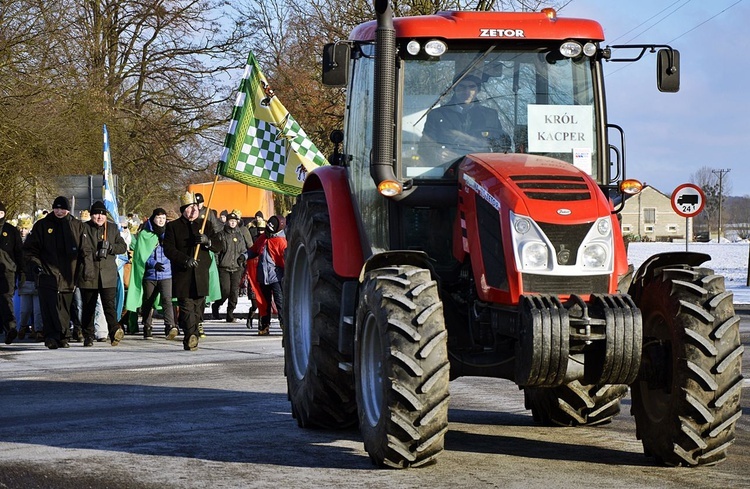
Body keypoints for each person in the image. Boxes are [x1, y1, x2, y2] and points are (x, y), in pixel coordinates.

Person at [23, 196, 91, 349]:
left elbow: (85, 251)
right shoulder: (42, 225)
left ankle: (63, 336)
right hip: (46, 273)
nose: (59, 212)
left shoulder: (77, 226)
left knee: (65, 307)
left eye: (63, 209)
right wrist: (36, 265)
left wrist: (85, 271)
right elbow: (29, 250)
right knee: (49, 307)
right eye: (57, 208)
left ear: (68, 210)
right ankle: (51, 337)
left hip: (68, 274)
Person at [163, 192, 222, 351]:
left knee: (198, 307)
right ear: (183, 209)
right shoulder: (173, 226)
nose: (194, 210)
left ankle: (193, 334)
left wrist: (207, 241)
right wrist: (184, 259)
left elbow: (219, 246)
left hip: (201, 273)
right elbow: (168, 249)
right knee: (187, 306)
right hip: (183, 274)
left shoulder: (205, 225)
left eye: (196, 207)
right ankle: (190, 336)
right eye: (190, 207)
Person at [420, 74, 509, 165]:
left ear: (477, 90)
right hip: (447, 170)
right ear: (455, 89)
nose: (467, 91)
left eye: (472, 87)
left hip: (481, 168)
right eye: (462, 87)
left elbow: (500, 144)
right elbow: (425, 146)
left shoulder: (490, 115)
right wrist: (438, 154)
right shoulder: (437, 115)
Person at [78, 201, 128, 347]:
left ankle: (114, 331)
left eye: (102, 214)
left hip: (108, 275)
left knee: (109, 306)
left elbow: (122, 247)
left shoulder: (111, 228)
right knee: (88, 306)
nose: (99, 217)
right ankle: (88, 334)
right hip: (89, 274)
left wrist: (110, 247)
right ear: (91, 215)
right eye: (96, 214)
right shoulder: (84, 228)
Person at [126, 208, 176, 339]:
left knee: (167, 300)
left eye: (164, 218)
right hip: (150, 275)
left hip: (166, 273)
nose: (161, 221)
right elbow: (141, 255)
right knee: (148, 301)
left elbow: (173, 251)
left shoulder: (170, 234)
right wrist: (153, 263)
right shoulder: (145, 234)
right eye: (159, 218)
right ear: (153, 218)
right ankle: (147, 326)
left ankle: (170, 326)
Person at [247, 215, 286, 335]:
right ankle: (264, 325)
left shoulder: (281, 242)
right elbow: (253, 250)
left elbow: (285, 261)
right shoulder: (263, 238)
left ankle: (284, 325)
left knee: (280, 302)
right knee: (264, 303)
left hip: (276, 277)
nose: (267, 232)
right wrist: (244, 256)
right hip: (263, 276)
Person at [213, 212, 253, 323]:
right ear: (227, 222)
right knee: (225, 290)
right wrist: (217, 264)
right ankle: (217, 304)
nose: (232, 223)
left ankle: (230, 313)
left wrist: (243, 260)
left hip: (237, 267)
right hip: (224, 267)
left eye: (234, 221)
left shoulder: (239, 235)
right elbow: (217, 252)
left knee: (234, 292)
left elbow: (244, 249)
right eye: (231, 221)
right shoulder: (221, 235)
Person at [0, 202, 25, 345]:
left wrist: (22, 271)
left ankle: (11, 327)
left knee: (6, 299)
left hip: (7, 270)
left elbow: (19, 252)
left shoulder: (10, 230)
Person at [15, 215, 43, 341]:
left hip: (36, 278)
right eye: (21, 228)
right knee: (25, 310)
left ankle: (38, 330)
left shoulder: (36, 241)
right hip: (25, 278)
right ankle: (23, 327)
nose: (23, 230)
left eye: (25, 228)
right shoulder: (16, 242)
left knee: (38, 310)